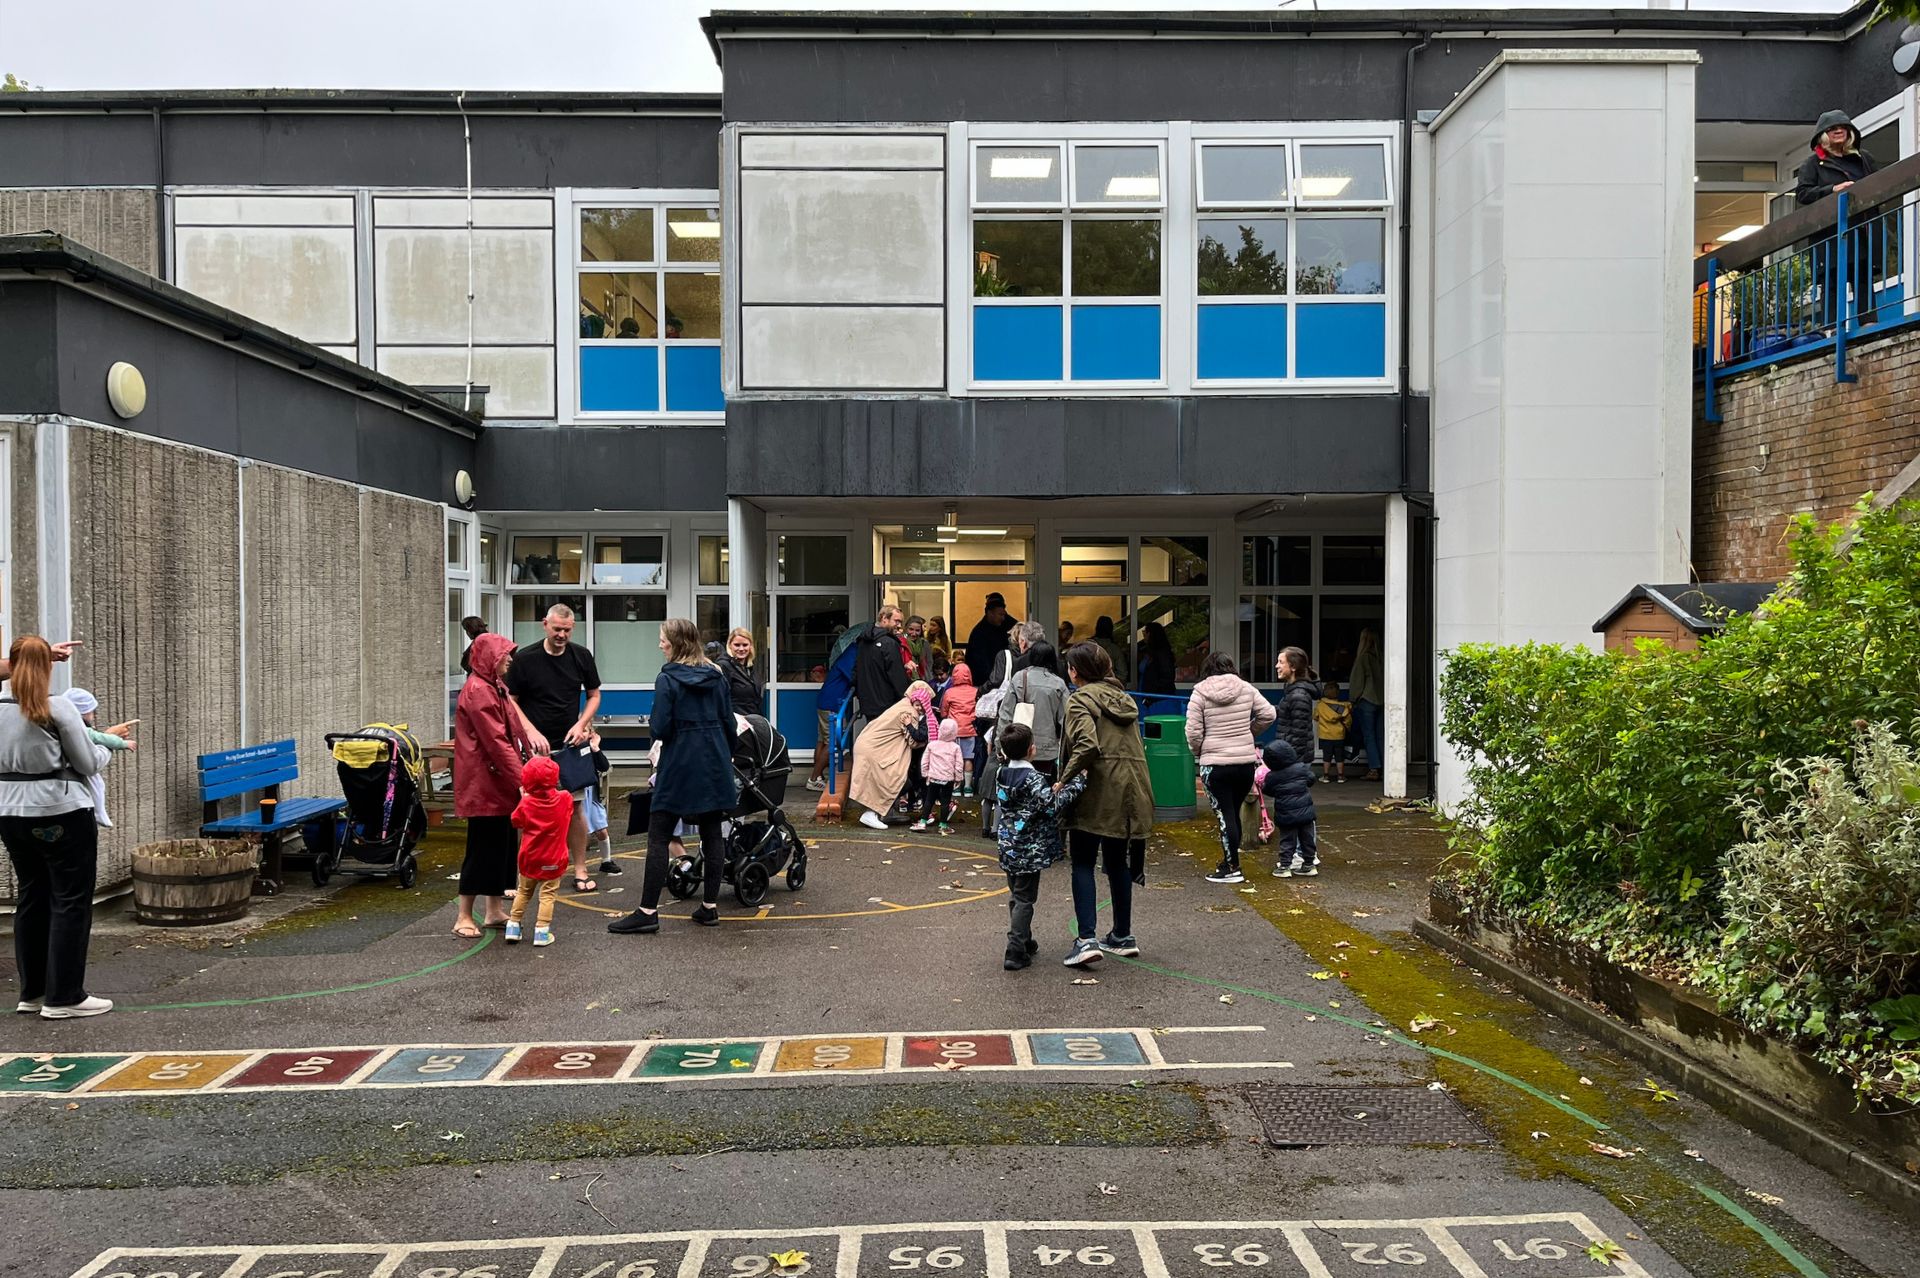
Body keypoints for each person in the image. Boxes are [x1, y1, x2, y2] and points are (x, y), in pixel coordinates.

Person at [0, 637, 112, 1018]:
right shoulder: (58, 707)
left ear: (10, 666)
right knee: (70, 899)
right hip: (60, 810)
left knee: (32, 895)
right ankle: (65, 996)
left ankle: (32, 992)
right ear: (48, 667)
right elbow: (87, 763)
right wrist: (107, 746)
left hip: (9, 811)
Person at [608, 619, 739, 935]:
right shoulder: (717, 676)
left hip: (680, 761)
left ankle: (648, 911)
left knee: (659, 833)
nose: (659, 644)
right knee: (711, 831)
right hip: (714, 760)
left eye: (662, 639)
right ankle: (709, 908)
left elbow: (660, 728)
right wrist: (724, 752)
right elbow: (729, 725)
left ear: (675, 644)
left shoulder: (667, 679)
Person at [1059, 642, 1155, 968]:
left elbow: (1086, 745)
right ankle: (1122, 935)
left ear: (1076, 671)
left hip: (1098, 788)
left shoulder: (1080, 700)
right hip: (1134, 788)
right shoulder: (1125, 700)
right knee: (1117, 863)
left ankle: (1086, 939)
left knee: (1083, 862)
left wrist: (1063, 779)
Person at [505, 604, 603, 892]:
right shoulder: (525, 659)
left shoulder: (581, 656)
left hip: (569, 745)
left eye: (567, 630)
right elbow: (510, 700)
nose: (561, 635)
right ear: (544, 624)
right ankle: (522, 873)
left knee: (574, 808)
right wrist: (530, 731)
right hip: (534, 750)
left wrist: (582, 724)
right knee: (529, 810)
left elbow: (595, 695)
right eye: (557, 629)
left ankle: (581, 869)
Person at [994, 722, 1088, 971]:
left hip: (1007, 844)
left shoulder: (1001, 773)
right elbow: (1050, 806)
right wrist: (1076, 784)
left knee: (1016, 894)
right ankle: (1015, 949)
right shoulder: (1033, 778)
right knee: (1025, 898)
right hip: (1028, 848)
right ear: (1031, 750)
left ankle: (1023, 938)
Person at [452, 632, 526, 937]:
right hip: (484, 783)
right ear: (489, 658)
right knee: (482, 846)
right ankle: (463, 916)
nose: (509, 658)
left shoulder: (495, 686)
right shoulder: (479, 691)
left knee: (502, 845)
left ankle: (493, 909)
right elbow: (495, 741)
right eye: (504, 653)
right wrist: (524, 779)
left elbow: (514, 729)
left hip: (497, 780)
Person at [1188, 651, 1278, 886]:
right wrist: (1249, 733)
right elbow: (1268, 714)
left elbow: (1193, 731)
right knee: (1233, 810)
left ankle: (1232, 867)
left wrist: (1199, 751)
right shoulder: (1246, 688)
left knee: (1224, 813)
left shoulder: (1200, 693)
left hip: (1215, 764)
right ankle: (1230, 862)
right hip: (1244, 763)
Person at [1795, 110, 1884, 328]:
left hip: (1861, 228)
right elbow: (1803, 194)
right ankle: (1832, 329)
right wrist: (1833, 190)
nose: (1838, 131)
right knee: (1832, 281)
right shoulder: (1813, 164)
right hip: (1830, 233)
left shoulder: (1864, 159)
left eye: (1843, 127)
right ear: (1823, 135)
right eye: (1832, 128)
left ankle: (1868, 325)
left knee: (1862, 276)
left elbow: (1878, 185)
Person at [849, 681, 933, 830]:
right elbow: (913, 741)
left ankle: (885, 811)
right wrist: (928, 740)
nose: (922, 708)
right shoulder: (910, 713)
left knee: (888, 780)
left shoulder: (903, 704)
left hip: (868, 745)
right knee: (892, 781)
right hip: (875, 751)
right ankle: (872, 813)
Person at [506, 755, 572, 947]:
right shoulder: (565, 799)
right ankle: (542, 932)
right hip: (554, 857)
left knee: (523, 892)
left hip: (529, 857)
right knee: (547, 896)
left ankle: (513, 926)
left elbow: (516, 821)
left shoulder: (526, 804)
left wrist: (524, 797)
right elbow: (568, 811)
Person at [62, 688, 135, 828]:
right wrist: (117, 741)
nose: (93, 716)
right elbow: (93, 762)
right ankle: (99, 812)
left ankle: (99, 811)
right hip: (72, 791)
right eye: (91, 712)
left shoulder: (58, 726)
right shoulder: (79, 729)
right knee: (96, 785)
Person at [996, 639, 1069, 778]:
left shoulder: (1019, 678)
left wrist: (1000, 744)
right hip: (1047, 749)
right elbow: (1066, 719)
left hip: (1018, 746)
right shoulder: (1058, 683)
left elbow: (1005, 714)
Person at [1260, 739, 1319, 878]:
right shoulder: (1302, 768)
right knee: (1307, 839)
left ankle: (1285, 866)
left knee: (1287, 840)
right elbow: (1311, 779)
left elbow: (1268, 790)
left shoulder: (1272, 776)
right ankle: (1309, 864)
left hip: (1286, 814)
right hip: (1306, 813)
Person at [854, 606, 911, 722]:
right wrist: (906, 698)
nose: (899, 625)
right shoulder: (889, 643)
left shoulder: (863, 641)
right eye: (896, 621)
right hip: (887, 704)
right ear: (884, 618)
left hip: (868, 703)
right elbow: (896, 675)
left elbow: (859, 669)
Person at [1275, 646, 1324, 776]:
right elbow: (1287, 714)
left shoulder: (1298, 695)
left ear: (1293, 667)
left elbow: (1299, 736)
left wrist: (1290, 762)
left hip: (1294, 761)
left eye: (1281, 662)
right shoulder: (1292, 690)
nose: (1276, 666)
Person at [912, 717, 966, 834]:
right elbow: (959, 765)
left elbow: (925, 761)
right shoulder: (955, 747)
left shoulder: (932, 745)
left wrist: (925, 774)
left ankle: (922, 822)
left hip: (933, 777)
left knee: (929, 800)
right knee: (945, 802)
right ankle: (943, 825)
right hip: (948, 779)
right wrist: (958, 778)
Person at [1346, 630, 1383, 782]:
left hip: (1366, 701)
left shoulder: (1363, 658)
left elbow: (1357, 683)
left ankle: (1374, 769)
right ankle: (1385, 767)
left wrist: (1353, 700)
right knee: (1380, 737)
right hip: (1381, 701)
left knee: (1369, 736)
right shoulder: (1381, 658)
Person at [582, 733, 620, 878]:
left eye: (587, 730)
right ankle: (580, 865)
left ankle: (606, 861)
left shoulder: (592, 750)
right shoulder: (570, 750)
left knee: (601, 829)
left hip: (591, 796)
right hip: (577, 795)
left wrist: (595, 748)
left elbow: (604, 766)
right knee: (581, 833)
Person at [937, 663, 978, 795]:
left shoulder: (949, 692)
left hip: (953, 732)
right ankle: (967, 787)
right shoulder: (975, 691)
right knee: (968, 758)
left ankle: (955, 786)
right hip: (971, 730)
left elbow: (943, 712)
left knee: (954, 758)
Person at [963, 593, 1017, 688]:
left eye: (1004, 614)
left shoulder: (1012, 626)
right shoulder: (978, 633)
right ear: (989, 613)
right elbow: (977, 662)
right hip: (985, 681)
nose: (1002, 618)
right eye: (1000, 614)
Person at [1315, 680, 1354, 784]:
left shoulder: (1320, 706)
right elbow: (1348, 720)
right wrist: (1348, 728)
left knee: (1326, 756)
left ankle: (1326, 776)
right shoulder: (1342, 707)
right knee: (1339, 757)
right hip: (1339, 736)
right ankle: (1340, 776)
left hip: (1325, 736)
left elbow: (1315, 717)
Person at [719, 627, 763, 717]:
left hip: (752, 720)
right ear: (730, 645)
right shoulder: (723, 666)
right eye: (737, 645)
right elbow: (721, 699)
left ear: (750, 646)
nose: (741, 649)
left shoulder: (750, 667)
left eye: (745, 645)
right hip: (736, 723)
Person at [1136, 622, 1177, 696]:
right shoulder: (1149, 653)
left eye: (1145, 633)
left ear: (1150, 634)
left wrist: (1153, 691)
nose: (1144, 636)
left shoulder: (1163, 654)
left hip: (1158, 697)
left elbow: (1167, 677)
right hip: (1146, 694)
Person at [1091, 616, 1131, 688]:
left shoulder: (1088, 646)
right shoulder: (1115, 650)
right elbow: (1123, 674)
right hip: (1110, 689)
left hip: (1089, 688)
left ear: (1097, 628)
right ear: (1111, 629)